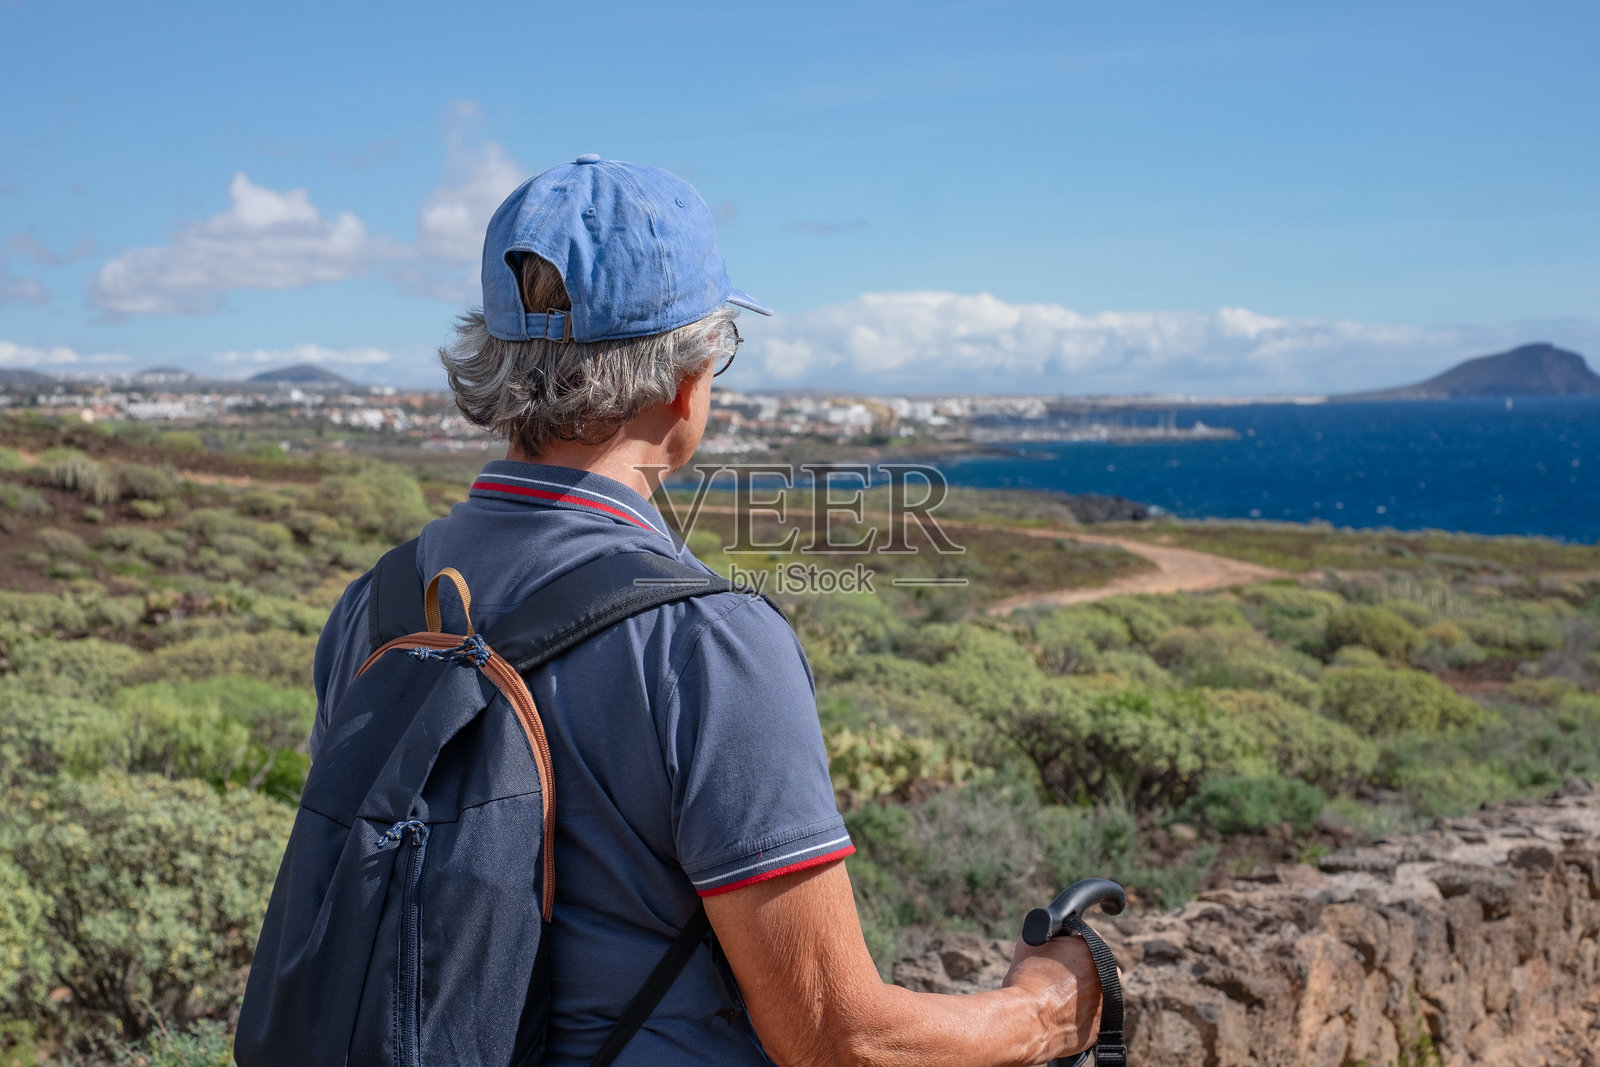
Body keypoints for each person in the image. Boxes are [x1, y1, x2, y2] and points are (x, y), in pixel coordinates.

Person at [309, 155, 1102, 1066]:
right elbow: (836, 1036)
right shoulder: (708, 643)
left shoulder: (376, 605)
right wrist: (1048, 1006)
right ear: (686, 381)